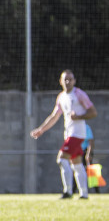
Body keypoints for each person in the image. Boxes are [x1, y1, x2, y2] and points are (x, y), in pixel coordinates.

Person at [30, 70, 97, 199]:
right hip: (69, 134)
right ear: (60, 81)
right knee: (76, 163)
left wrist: (79, 117)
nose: (68, 82)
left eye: (70, 79)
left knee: (61, 158)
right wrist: (41, 129)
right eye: (65, 79)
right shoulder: (61, 97)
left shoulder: (79, 94)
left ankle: (68, 192)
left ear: (74, 81)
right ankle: (84, 194)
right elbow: (54, 116)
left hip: (77, 134)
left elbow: (93, 112)